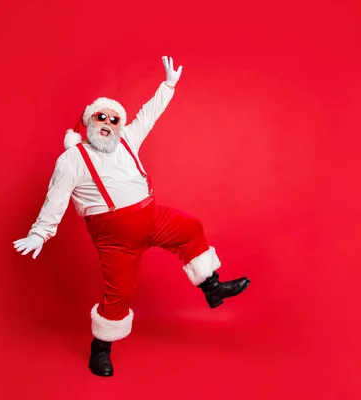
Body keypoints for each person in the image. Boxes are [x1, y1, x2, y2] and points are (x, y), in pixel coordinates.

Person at [13, 56, 250, 377]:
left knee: (191, 228)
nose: (108, 124)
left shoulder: (127, 142)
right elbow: (55, 198)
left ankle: (212, 287)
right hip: (115, 238)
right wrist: (40, 233)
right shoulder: (72, 159)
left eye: (114, 119)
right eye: (101, 118)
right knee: (119, 294)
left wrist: (167, 86)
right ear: (88, 122)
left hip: (152, 218)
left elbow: (148, 115)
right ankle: (101, 349)